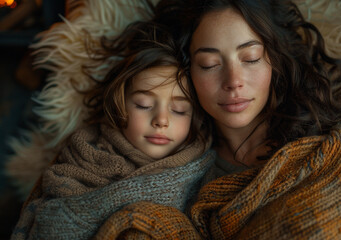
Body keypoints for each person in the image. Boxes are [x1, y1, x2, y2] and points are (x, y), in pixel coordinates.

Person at [148, 0, 341, 239]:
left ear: (274, 60)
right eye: (210, 65)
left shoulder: (334, 148)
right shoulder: (178, 176)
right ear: (187, 72)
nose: (233, 81)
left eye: (250, 58)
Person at [10, 20, 215, 240]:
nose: (161, 120)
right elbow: (52, 220)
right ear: (119, 105)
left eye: (179, 109)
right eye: (144, 105)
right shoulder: (82, 157)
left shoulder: (204, 174)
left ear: (196, 117)